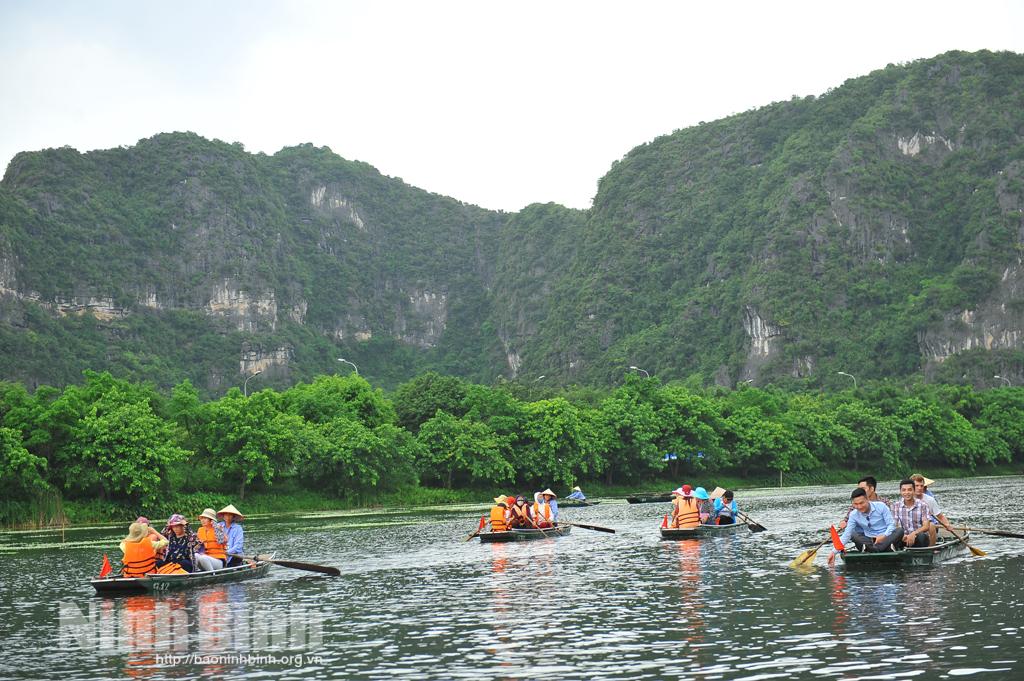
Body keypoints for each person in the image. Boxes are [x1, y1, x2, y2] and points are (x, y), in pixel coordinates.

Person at [828, 488, 904, 566]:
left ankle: (873, 550)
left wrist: (884, 535)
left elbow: (891, 525)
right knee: (853, 533)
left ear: (867, 499)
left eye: (861, 503)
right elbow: (846, 535)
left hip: (885, 539)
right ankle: (883, 549)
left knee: (900, 530)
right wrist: (833, 552)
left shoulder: (881, 506)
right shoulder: (853, 514)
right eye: (856, 504)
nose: (859, 507)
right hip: (869, 541)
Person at [911, 474, 954, 545]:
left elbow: (940, 516)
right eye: (917, 486)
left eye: (921, 486)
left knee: (931, 525)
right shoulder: (907, 499)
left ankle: (931, 548)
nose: (919, 488)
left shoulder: (930, 500)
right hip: (912, 526)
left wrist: (947, 525)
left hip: (928, 526)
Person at [892, 479, 932, 548]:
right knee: (895, 535)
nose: (907, 492)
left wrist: (913, 534)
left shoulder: (923, 505)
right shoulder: (896, 506)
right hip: (903, 538)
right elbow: (895, 525)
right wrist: (904, 536)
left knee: (922, 536)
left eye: (909, 490)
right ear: (900, 492)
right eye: (904, 490)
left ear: (914, 491)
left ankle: (920, 555)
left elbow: (926, 526)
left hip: (918, 537)